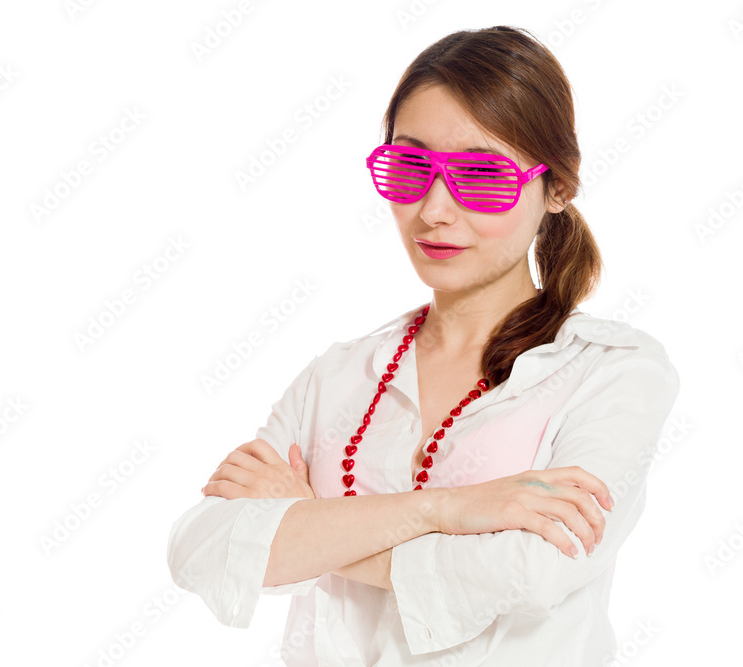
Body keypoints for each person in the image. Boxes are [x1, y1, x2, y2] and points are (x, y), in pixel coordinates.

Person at [167, 25, 681, 666]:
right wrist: (450, 509)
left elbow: (531, 571)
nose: (434, 209)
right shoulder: (339, 374)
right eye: (411, 167)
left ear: (557, 188)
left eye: (482, 173)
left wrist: (306, 520)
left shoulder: (613, 373)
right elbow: (201, 549)